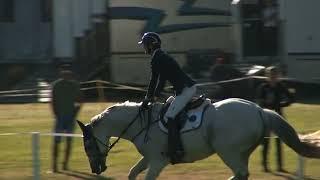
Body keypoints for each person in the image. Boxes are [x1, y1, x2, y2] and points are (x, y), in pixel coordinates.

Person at [138, 32, 196, 164]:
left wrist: (153, 97)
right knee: (167, 110)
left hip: (186, 89)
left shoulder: (158, 58)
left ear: (151, 45)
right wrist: (148, 97)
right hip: (182, 90)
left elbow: (161, 79)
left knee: (170, 116)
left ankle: (177, 150)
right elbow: (154, 80)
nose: (144, 48)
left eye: (145, 45)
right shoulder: (158, 56)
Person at [256, 66, 294, 172]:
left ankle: (280, 167)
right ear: (267, 76)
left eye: (275, 75)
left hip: (278, 117)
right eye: (271, 75)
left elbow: (291, 98)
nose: (273, 77)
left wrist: (282, 104)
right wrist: (266, 105)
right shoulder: (263, 87)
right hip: (266, 117)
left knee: (278, 143)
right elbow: (259, 101)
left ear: (278, 76)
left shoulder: (281, 86)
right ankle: (265, 166)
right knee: (266, 142)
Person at [51, 66, 82, 172]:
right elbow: (53, 100)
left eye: (68, 72)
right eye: (64, 72)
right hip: (60, 117)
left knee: (68, 142)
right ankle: (55, 166)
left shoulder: (74, 85)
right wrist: (56, 114)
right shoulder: (56, 85)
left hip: (69, 117)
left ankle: (65, 165)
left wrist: (75, 114)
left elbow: (80, 100)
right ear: (61, 73)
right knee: (57, 141)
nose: (66, 74)